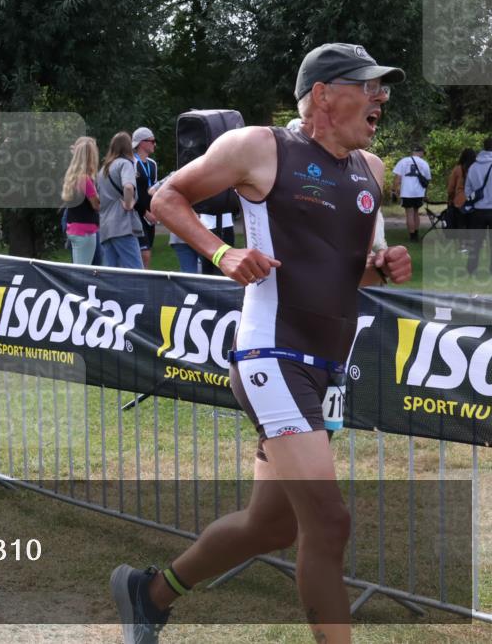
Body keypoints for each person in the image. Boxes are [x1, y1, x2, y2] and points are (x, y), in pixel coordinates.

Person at [110, 43, 411, 644]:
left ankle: (150, 592)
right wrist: (222, 253)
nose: (380, 97)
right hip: (271, 355)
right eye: (368, 85)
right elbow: (166, 196)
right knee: (328, 522)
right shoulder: (260, 146)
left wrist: (384, 265)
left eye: (383, 87)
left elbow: (347, 272)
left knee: (270, 526)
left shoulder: (372, 171)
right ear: (323, 93)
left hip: (327, 369)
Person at [97, 132, 144, 269]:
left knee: (113, 273)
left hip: (105, 227)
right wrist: (129, 204)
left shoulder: (103, 170)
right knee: (135, 271)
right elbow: (128, 187)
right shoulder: (125, 164)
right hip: (122, 225)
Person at [61, 136, 101, 265]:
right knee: (82, 272)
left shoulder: (72, 176)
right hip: (86, 231)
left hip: (74, 228)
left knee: (79, 268)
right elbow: (96, 205)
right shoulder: (85, 179)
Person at [131, 127, 160, 268]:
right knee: (144, 253)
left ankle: (143, 283)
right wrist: (145, 213)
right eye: (152, 141)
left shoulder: (153, 164)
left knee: (147, 253)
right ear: (142, 143)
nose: (155, 144)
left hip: (151, 216)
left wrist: (155, 211)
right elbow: (129, 194)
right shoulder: (131, 163)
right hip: (136, 215)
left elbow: (154, 190)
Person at [464, 137, 492, 275]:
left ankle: (471, 268)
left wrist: (473, 203)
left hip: (478, 210)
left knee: (475, 242)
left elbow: (467, 189)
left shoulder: (474, 166)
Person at [393, 144, 431, 241]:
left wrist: (394, 190)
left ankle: (412, 236)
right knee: (416, 213)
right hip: (419, 193)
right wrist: (425, 194)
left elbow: (397, 178)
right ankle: (416, 234)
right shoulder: (424, 163)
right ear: (420, 152)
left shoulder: (403, 161)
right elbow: (427, 181)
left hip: (406, 192)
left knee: (409, 213)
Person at [446, 148, 476, 232]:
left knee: (461, 225)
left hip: (460, 201)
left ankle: (462, 244)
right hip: (474, 201)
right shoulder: (477, 169)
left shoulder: (458, 169)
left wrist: (451, 199)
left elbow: (451, 188)